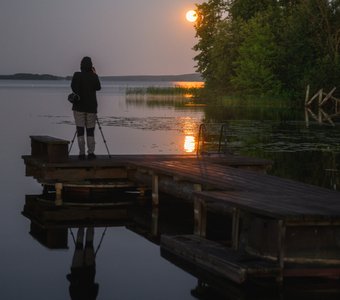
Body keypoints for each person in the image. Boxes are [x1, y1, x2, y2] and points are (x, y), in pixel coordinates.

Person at [71, 56, 101, 160]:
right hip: (91, 107)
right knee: (90, 131)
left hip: (78, 106)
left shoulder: (77, 75)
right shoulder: (93, 76)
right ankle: (91, 153)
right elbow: (98, 87)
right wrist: (95, 73)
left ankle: (82, 153)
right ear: (91, 65)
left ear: (81, 65)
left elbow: (73, 88)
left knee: (80, 130)